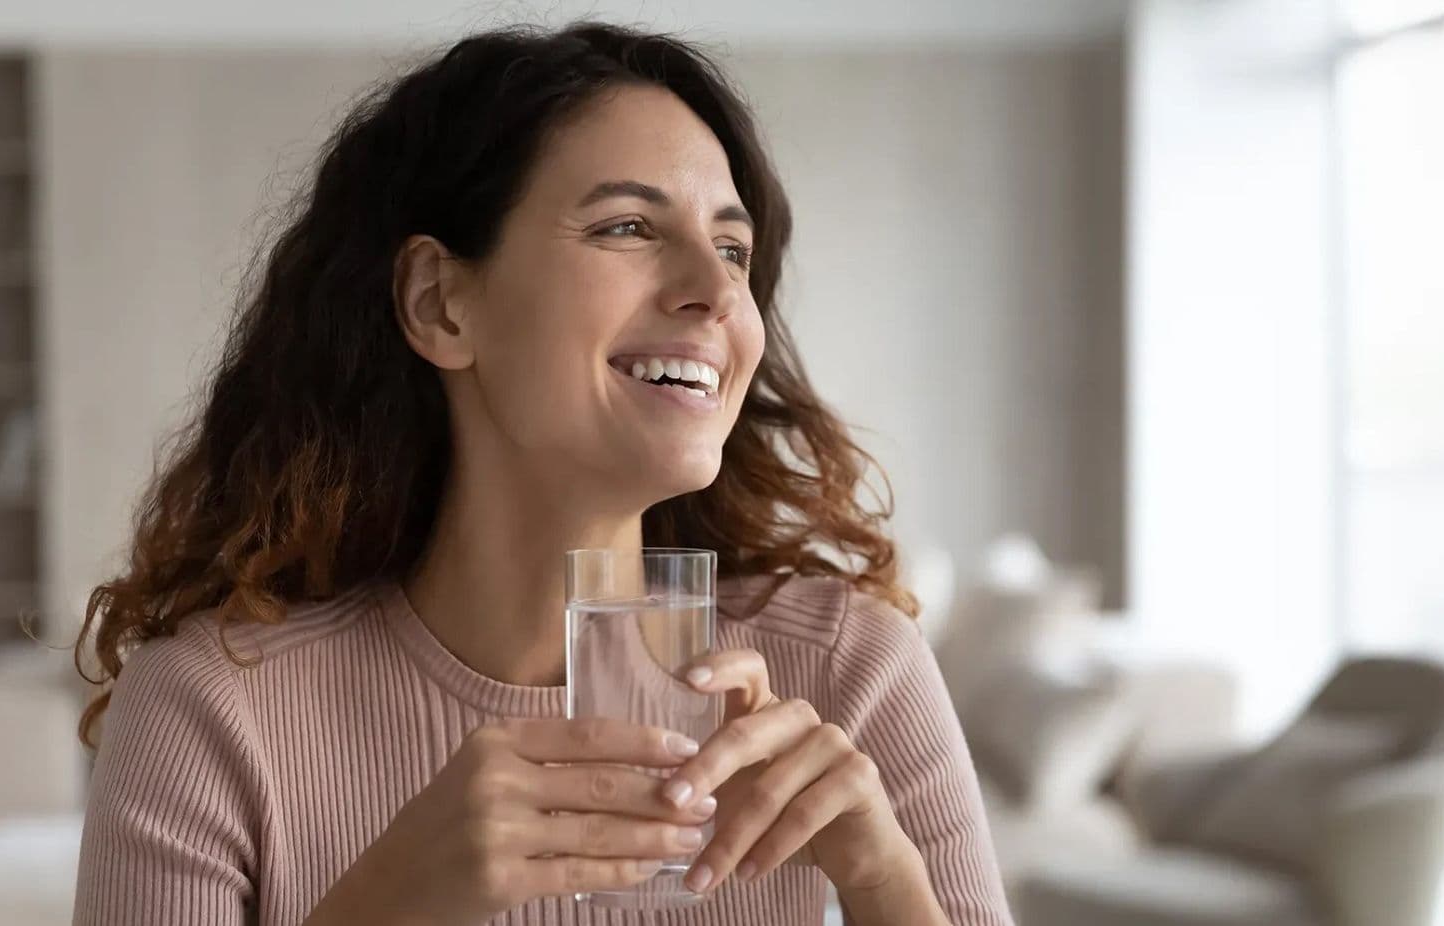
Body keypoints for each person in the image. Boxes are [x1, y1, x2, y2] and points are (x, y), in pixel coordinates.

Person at [71, 21, 1012, 926]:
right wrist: (387, 907)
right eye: (628, 227)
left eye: (733, 249)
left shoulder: (850, 670)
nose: (720, 292)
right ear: (441, 304)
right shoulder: (213, 708)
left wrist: (886, 882)